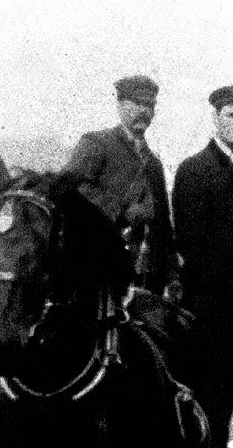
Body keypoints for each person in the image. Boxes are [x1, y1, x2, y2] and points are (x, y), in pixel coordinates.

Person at [171, 84, 233, 448]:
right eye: (231, 115)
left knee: (229, 388)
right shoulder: (195, 170)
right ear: (215, 118)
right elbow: (192, 246)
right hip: (210, 309)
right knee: (207, 392)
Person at [64, 74, 175, 296]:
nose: (144, 111)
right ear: (121, 106)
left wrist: (171, 274)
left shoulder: (153, 164)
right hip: (96, 271)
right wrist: (121, 211)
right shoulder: (96, 144)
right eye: (137, 104)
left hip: (142, 276)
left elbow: (163, 225)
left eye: (149, 105)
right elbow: (70, 188)